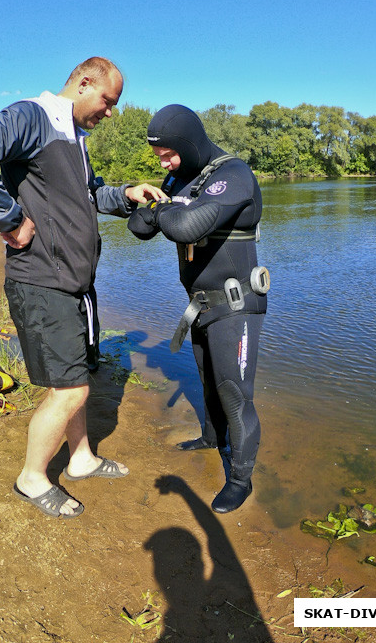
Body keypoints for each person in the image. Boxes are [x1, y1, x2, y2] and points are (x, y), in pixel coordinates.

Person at [0, 57, 166, 519]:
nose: (110, 112)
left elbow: (88, 196)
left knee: (77, 381)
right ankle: (32, 477)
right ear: (84, 83)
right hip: (42, 281)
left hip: (74, 284)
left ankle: (82, 458)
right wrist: (11, 222)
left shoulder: (74, 137)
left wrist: (126, 194)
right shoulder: (34, 116)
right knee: (68, 392)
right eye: (107, 101)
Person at [128, 105, 269, 513]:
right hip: (202, 305)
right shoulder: (181, 178)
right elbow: (139, 228)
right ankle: (212, 439)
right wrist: (162, 206)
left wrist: (166, 211)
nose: (164, 162)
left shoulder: (233, 175)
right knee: (208, 380)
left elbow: (186, 228)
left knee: (235, 393)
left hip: (237, 304)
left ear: (190, 143)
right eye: (159, 156)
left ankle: (240, 479)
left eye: (169, 153)